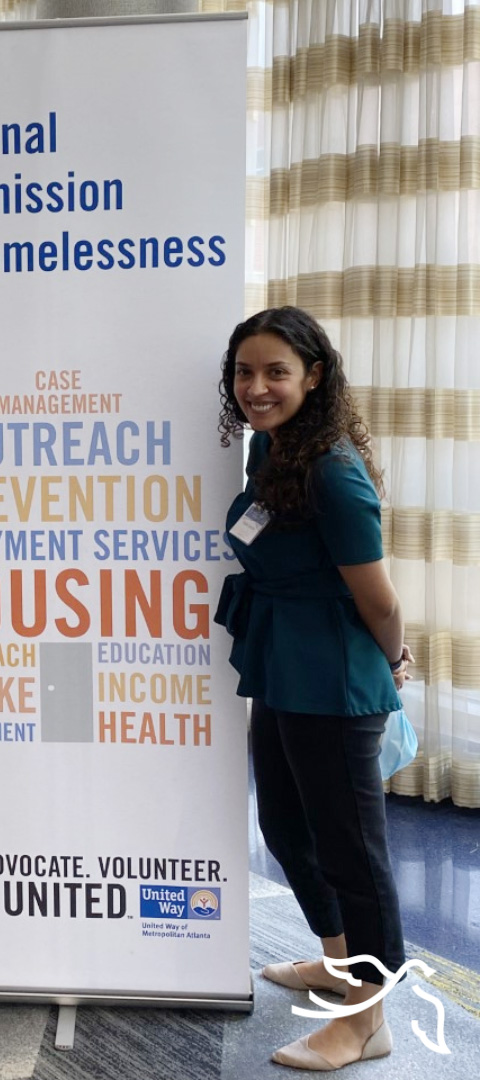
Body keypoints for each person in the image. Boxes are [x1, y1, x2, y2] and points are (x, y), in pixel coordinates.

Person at [214, 307, 411, 1071]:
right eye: (244, 372)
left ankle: (367, 1021)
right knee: (290, 828)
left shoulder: (331, 469)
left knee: (352, 854)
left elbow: (381, 600)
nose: (257, 388)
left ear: (314, 376)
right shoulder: (275, 448)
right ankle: (338, 962)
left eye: (275, 373)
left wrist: (392, 661)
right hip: (282, 663)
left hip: (332, 676)